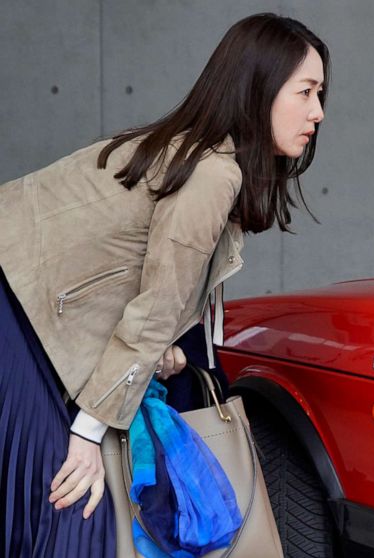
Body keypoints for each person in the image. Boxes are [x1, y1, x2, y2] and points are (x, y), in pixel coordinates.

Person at [0, 13, 328, 556]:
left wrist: (163, 354)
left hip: (26, 315)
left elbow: (128, 280)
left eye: (321, 94)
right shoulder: (211, 172)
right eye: (306, 92)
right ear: (260, 88)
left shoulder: (187, 151)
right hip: (16, 317)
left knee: (57, 513)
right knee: (70, 509)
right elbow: (154, 306)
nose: (318, 112)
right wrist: (90, 431)